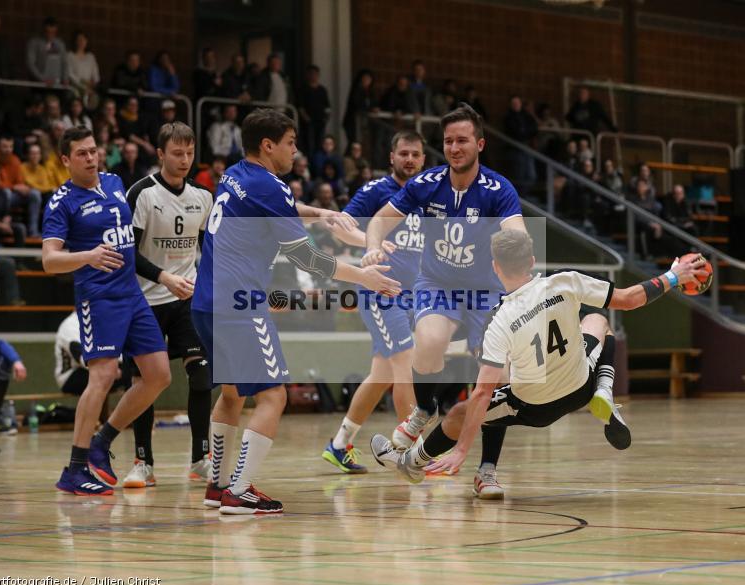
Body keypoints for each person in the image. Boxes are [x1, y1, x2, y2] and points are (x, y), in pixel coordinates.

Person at [371, 230, 710, 495]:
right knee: (598, 321)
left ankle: (411, 463)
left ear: (495, 267)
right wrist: (674, 276)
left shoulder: (498, 319)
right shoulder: (564, 281)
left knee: (466, 410)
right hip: (580, 386)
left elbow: (481, 393)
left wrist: (462, 449)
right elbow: (629, 299)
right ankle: (604, 390)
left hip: (532, 406)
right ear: (532, 260)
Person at [191, 108, 401, 514]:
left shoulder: (234, 174)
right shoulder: (272, 187)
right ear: (268, 146)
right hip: (240, 303)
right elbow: (307, 259)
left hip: (205, 302)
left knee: (232, 394)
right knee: (273, 396)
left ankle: (217, 487)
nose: (295, 150)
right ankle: (240, 489)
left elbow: (274, 205)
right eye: (290, 142)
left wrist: (319, 212)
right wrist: (364, 277)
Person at [363, 104, 528, 492]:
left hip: (486, 291)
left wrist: (518, 248)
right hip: (437, 284)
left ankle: (487, 470)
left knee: (496, 380)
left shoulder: (497, 189)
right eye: (449, 141)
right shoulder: (427, 183)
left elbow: (517, 230)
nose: (454, 147)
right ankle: (423, 411)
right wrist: (373, 246)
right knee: (430, 342)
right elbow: (381, 219)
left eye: (462, 140)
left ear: (480, 144)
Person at [42, 126, 171, 495]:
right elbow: (49, 260)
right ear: (66, 160)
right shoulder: (61, 201)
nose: (90, 158)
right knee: (103, 375)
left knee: (159, 374)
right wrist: (88, 256)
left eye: (93, 151)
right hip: (98, 297)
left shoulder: (114, 183)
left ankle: (103, 440)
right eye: (81, 154)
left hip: (131, 293)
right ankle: (75, 468)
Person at [321, 130, 426, 474]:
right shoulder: (376, 191)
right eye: (404, 153)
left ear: (423, 159)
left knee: (381, 374)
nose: (409, 159)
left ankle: (339, 445)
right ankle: (410, 453)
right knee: (404, 367)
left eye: (415, 154)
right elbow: (338, 226)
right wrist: (370, 243)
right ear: (392, 157)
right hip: (380, 291)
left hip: (411, 295)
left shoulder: (426, 196)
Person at [123, 123, 215, 487]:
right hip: (145, 300)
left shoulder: (203, 197)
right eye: (177, 153)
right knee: (144, 382)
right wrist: (163, 277)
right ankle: (142, 461)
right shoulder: (142, 194)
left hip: (187, 300)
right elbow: (126, 253)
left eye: (190, 153)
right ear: (160, 154)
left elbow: (209, 251)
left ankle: (200, 458)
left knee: (203, 374)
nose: (185, 160)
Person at [26, 16, 68, 85]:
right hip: (39, 83)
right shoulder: (34, 43)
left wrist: (65, 78)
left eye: (53, 33)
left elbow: (65, 63)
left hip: (57, 82)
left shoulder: (60, 44)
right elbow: (30, 64)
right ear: (43, 30)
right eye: (48, 32)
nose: (50, 35)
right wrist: (43, 79)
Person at [66, 31, 100, 110]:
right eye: (79, 40)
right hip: (75, 89)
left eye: (83, 40)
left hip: (90, 90)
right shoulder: (70, 55)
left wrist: (92, 84)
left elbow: (96, 76)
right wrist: (82, 85)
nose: (81, 42)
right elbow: (70, 74)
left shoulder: (90, 57)